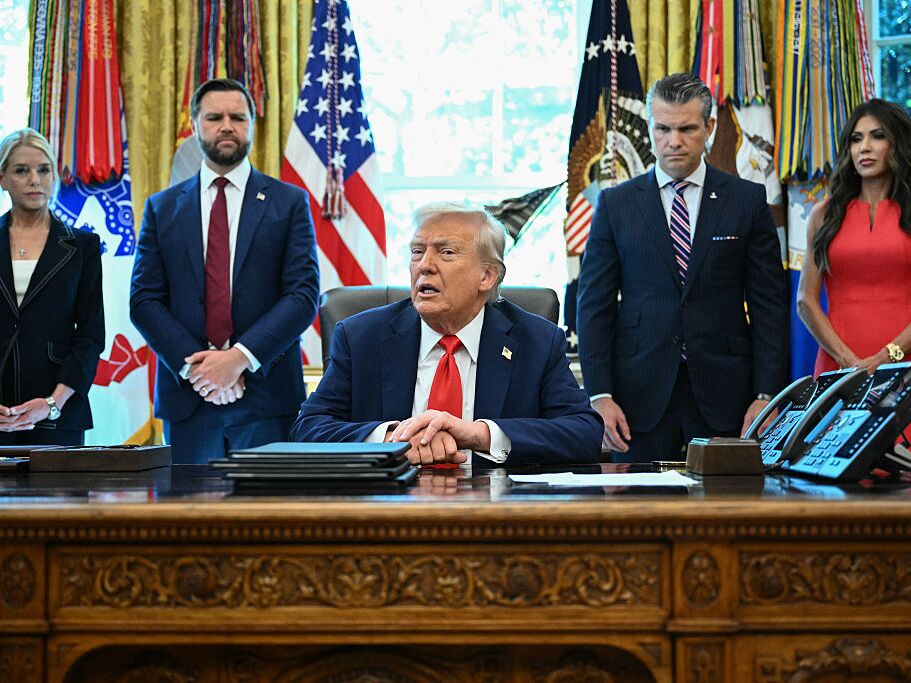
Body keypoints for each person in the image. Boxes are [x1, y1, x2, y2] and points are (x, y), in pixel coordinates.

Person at [576, 72, 788, 463]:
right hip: (636, 399)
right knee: (639, 518)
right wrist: (599, 395)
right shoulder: (616, 204)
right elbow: (594, 306)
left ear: (709, 127)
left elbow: (770, 306)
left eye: (687, 129)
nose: (674, 141)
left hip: (728, 396)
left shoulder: (746, 200)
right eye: (663, 129)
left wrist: (767, 395)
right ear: (650, 127)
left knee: (724, 519)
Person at [291, 202, 602, 467]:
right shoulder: (361, 337)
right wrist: (392, 440)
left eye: (446, 252)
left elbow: (583, 432)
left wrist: (480, 434)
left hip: (497, 515)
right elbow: (309, 428)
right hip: (388, 513)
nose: (424, 265)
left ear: (487, 276)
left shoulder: (537, 341)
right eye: (417, 251)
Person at [130, 79, 319, 463]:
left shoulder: (289, 202)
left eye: (238, 117)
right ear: (196, 125)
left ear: (252, 125)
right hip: (189, 399)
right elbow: (144, 300)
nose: (227, 125)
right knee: (190, 521)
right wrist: (199, 368)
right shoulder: (161, 208)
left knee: (269, 521)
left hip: (267, 399)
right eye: (214, 117)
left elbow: (302, 296)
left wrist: (238, 359)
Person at [0, 128, 104, 445]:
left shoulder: (83, 245)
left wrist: (52, 404)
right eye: (21, 170)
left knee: (62, 496)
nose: (35, 180)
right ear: (3, 178)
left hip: (59, 415)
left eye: (43, 170)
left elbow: (90, 335)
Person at [798, 99, 911, 377]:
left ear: (897, 144)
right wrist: (846, 360)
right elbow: (805, 300)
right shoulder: (824, 214)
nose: (865, 148)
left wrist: (887, 356)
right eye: (856, 139)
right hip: (839, 366)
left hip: (905, 361)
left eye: (878, 136)